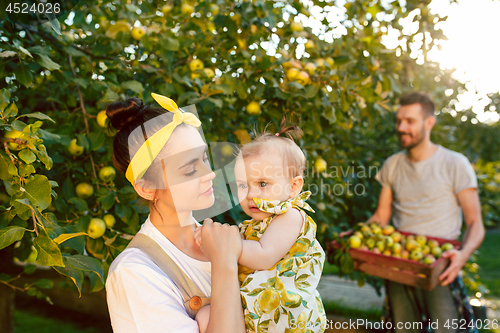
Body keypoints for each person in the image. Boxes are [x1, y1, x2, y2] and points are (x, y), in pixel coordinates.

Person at [105, 93, 246, 333]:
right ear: (146, 188)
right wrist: (224, 263)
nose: (209, 174)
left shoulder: (223, 237)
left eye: (204, 158)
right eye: (190, 169)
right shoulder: (136, 273)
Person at [368, 92, 485, 333]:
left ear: (429, 122)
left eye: (409, 121)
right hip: (398, 263)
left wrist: (462, 255)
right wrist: (357, 237)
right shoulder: (392, 164)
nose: (401, 127)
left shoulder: (455, 164)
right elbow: (381, 217)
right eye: (399, 120)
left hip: (439, 268)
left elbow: (475, 223)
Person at [194, 121, 327, 333]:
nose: (251, 194)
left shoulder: (290, 216)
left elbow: (264, 256)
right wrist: (212, 237)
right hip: (261, 309)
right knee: (204, 316)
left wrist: (223, 243)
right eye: (243, 185)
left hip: (284, 315)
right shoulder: (257, 223)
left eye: (262, 184)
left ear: (293, 187)